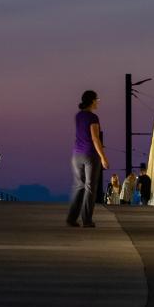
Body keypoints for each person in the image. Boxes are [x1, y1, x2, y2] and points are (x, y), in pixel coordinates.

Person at [67, 90, 109, 228]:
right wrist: (103, 157)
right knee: (90, 187)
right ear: (92, 101)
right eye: (97, 100)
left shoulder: (78, 116)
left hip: (76, 155)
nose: (98, 102)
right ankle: (87, 220)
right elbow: (95, 138)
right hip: (90, 155)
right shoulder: (93, 117)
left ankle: (71, 218)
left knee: (79, 186)